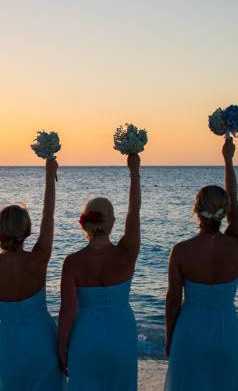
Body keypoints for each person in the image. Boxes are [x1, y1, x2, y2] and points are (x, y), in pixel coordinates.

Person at [0, 157, 66, 391]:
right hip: (41, 340)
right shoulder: (38, 259)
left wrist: (8, 311)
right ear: (27, 231)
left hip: (10, 343)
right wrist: (49, 179)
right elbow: (49, 216)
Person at [165, 136, 238, 391]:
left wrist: (170, 337)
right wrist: (228, 159)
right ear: (225, 211)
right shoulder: (236, 243)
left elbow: (173, 301)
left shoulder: (181, 251)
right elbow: (234, 197)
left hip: (190, 332)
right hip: (226, 333)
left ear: (196, 211)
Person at [58, 153, 141, 391]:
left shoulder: (72, 262)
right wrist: (134, 171)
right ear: (112, 222)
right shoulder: (126, 253)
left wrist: (61, 348)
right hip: (121, 333)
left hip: (86, 336)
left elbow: (67, 311)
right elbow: (134, 211)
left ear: (85, 223)